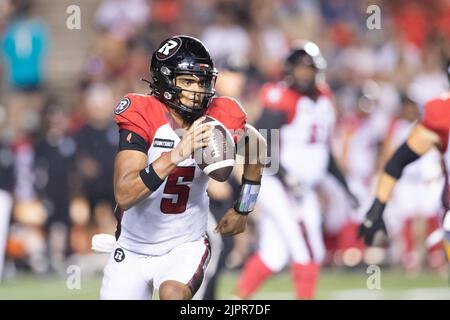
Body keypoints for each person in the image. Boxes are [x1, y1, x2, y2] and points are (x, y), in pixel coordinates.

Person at [99, 35, 266, 300]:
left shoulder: (221, 113)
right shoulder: (142, 113)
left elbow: (257, 145)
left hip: (185, 244)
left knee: (173, 295)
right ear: (165, 80)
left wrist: (243, 208)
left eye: (201, 81)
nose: (197, 90)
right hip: (131, 247)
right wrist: (178, 153)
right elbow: (125, 194)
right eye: (187, 81)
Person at [234, 41, 357, 300]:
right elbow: (255, 141)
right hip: (281, 184)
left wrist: (345, 187)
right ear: (289, 71)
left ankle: (237, 300)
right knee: (309, 251)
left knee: (274, 255)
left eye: (308, 69)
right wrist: (285, 176)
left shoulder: (323, 98)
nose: (303, 75)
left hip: (302, 186)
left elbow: (324, 153)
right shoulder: (282, 97)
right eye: (299, 69)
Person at [358, 58, 450, 262]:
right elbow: (396, 162)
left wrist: (377, 208)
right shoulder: (441, 115)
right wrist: (377, 208)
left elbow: (395, 163)